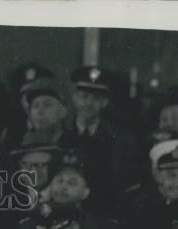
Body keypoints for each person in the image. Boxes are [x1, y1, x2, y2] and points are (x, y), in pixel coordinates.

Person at [60, 66, 140, 215]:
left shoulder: (121, 139)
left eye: (96, 99)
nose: (89, 104)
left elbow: (123, 182)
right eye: (84, 97)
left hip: (106, 212)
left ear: (105, 102)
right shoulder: (60, 134)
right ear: (74, 98)